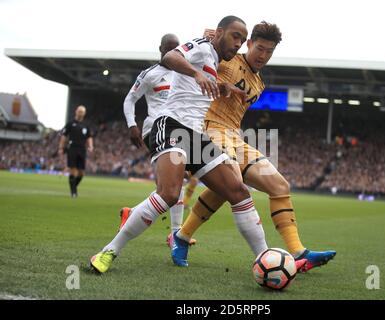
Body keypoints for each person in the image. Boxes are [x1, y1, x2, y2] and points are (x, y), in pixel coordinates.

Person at [90, 16, 275, 273]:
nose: (238, 44)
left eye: (242, 40)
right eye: (235, 36)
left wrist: (225, 87)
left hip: (196, 137)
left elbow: (202, 85)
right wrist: (196, 72)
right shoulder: (201, 46)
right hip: (172, 126)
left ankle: (265, 260)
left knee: (238, 191)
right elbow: (171, 58)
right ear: (219, 32)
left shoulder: (215, 60)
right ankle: (109, 251)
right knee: (168, 194)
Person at [173, 22, 336, 272]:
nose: (263, 55)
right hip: (206, 128)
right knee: (232, 179)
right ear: (248, 44)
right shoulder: (226, 59)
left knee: (279, 185)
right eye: (259, 48)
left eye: (269, 51)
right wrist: (209, 38)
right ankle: (182, 237)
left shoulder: (259, 85)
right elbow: (195, 58)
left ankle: (299, 253)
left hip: (234, 136)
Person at [121, 33, 196, 245]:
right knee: (176, 182)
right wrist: (132, 125)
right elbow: (130, 99)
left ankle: (132, 212)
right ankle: (176, 234)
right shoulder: (149, 74)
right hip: (155, 129)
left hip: (178, 129)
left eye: (176, 49)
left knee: (167, 188)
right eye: (168, 48)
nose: (172, 52)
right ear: (161, 49)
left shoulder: (184, 73)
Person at [58, 105, 93, 198]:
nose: (80, 113)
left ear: (84, 113)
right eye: (79, 111)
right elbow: (64, 136)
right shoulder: (70, 123)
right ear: (76, 112)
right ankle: (73, 192)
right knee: (73, 170)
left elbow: (89, 137)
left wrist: (90, 146)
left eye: (82, 112)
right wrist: (61, 148)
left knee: (81, 173)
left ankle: (73, 187)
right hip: (72, 148)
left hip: (82, 149)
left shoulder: (86, 125)